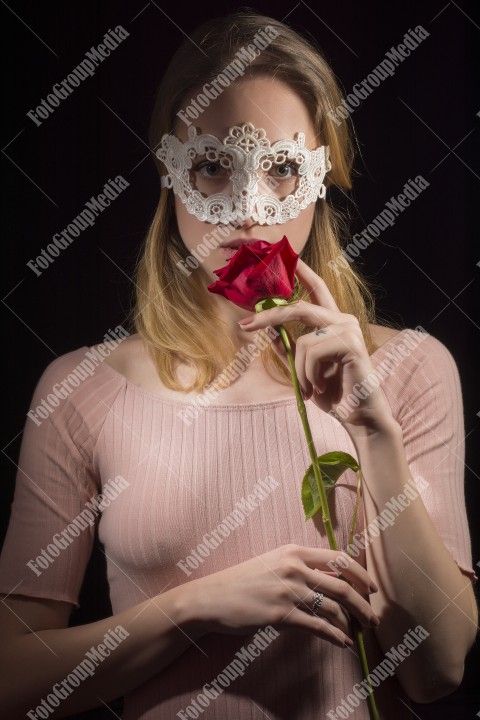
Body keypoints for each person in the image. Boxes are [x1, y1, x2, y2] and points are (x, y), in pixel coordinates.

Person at [0, 10, 477, 720]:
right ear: (171, 170)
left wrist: (377, 435)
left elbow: (437, 669)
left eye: (282, 168)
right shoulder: (79, 391)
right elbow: (11, 681)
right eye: (215, 166)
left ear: (322, 175)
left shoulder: (408, 369)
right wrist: (195, 607)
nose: (250, 212)